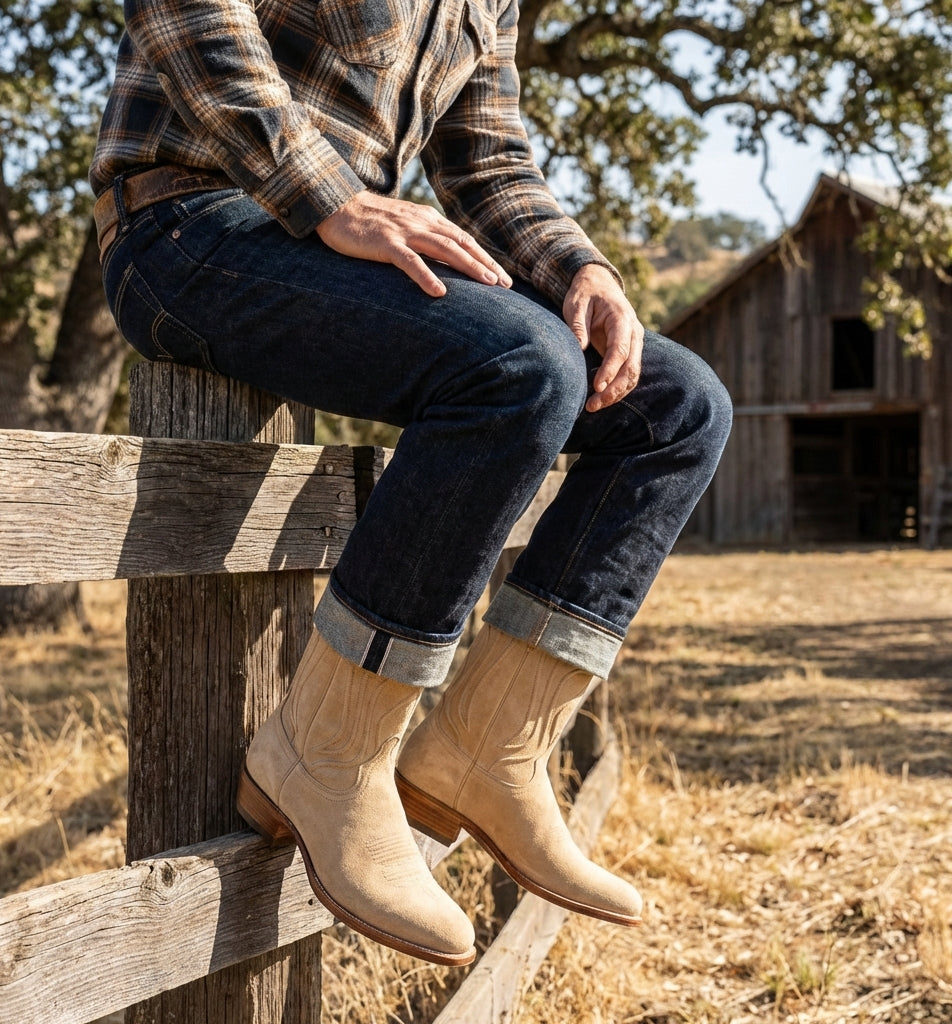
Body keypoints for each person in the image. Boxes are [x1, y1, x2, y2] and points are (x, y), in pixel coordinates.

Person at [91, 0, 732, 967]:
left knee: (679, 407)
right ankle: (327, 751)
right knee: (520, 369)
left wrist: (578, 269)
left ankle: (490, 750)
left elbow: (488, 160)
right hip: (186, 226)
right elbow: (186, 13)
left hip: (337, 247)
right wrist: (325, 195)